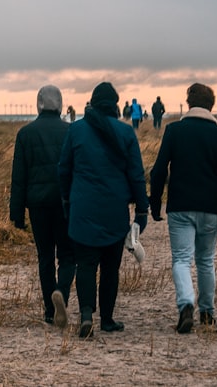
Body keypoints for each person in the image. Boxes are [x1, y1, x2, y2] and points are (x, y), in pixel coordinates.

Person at [59, 82, 149, 338]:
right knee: (111, 267)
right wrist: (142, 208)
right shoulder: (125, 133)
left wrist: (67, 199)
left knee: (86, 264)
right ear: (116, 104)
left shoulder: (76, 130)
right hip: (115, 209)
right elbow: (136, 175)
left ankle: (86, 315)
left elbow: (63, 169)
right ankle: (107, 320)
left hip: (83, 207)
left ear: (92, 102)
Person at [149, 83, 217, 333]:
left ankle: (186, 304)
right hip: (210, 207)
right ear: (211, 105)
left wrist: (155, 203)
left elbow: (158, 171)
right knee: (206, 260)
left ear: (188, 104)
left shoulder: (174, 131)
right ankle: (207, 312)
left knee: (181, 259)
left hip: (180, 206)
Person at [10, 85, 75, 328]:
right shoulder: (71, 131)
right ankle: (62, 294)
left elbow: (19, 177)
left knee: (45, 257)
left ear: (38, 104)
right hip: (65, 203)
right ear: (60, 104)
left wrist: (17, 214)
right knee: (68, 256)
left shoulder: (25, 134)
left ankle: (50, 310)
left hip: (37, 205)